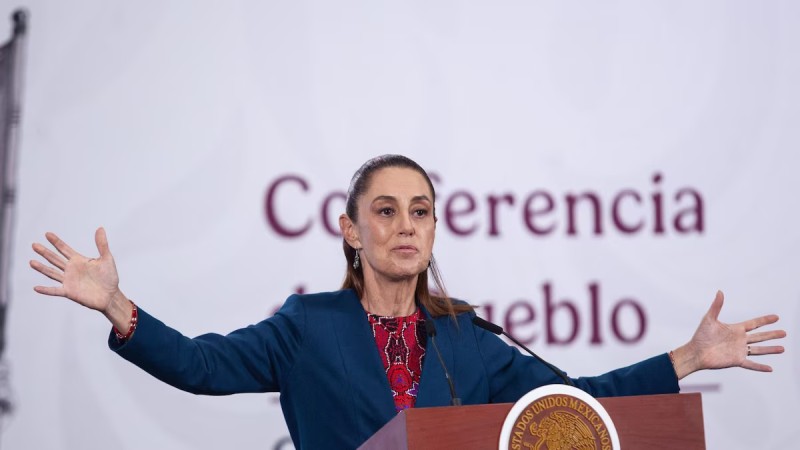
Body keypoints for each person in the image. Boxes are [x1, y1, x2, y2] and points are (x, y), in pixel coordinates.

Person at [30, 154, 786, 449]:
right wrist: (118, 306)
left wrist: (688, 357)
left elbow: (573, 405)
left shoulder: (466, 339)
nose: (405, 226)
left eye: (420, 211)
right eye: (385, 211)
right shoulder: (307, 326)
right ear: (350, 230)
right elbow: (201, 365)